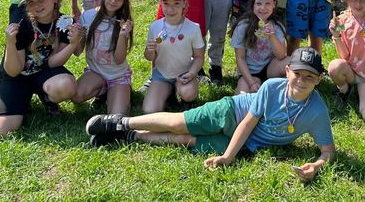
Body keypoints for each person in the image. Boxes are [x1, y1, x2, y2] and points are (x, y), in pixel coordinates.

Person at [86, 47, 335, 182]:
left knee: (186, 140)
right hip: (232, 113)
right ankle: (121, 122)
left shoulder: (317, 111)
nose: (301, 81)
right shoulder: (271, 87)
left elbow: (328, 151)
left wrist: (316, 166)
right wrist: (227, 157)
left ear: (319, 80)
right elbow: (248, 123)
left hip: (247, 144)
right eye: (297, 74)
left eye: (309, 77)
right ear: (287, 70)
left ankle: (131, 136)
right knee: (179, 123)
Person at [0, 0, 82, 135]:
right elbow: (13, 71)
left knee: (67, 85)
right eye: (31, 2)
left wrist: (73, 44)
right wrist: (10, 43)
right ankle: (21, 100)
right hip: (17, 78)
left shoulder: (65, 22)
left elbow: (53, 63)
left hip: (44, 73)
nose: (37, 5)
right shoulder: (21, 24)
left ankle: (47, 98)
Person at [72, 0, 134, 114]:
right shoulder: (88, 16)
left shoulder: (124, 23)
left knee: (117, 115)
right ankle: (103, 91)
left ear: (124, 1)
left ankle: (121, 90)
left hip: (117, 75)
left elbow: (119, 59)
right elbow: (77, 52)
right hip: (96, 72)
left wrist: (122, 36)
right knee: (76, 96)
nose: (113, 1)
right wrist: (75, 39)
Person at [143, 0, 205, 113]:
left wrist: (192, 73)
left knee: (188, 93)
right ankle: (168, 92)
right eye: (166, 3)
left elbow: (199, 57)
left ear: (184, 3)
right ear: (161, 3)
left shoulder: (193, 28)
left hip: (184, 73)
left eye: (176, 3)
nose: (171, 9)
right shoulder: (155, 27)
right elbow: (149, 57)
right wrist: (150, 50)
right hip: (162, 74)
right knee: (149, 110)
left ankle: (185, 99)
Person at [230, 0, 290, 94]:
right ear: (252, 5)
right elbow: (240, 58)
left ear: (274, 4)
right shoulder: (243, 26)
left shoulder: (277, 26)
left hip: (270, 69)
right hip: (249, 73)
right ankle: (251, 87)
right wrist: (251, 83)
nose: (263, 8)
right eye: (258, 3)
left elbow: (282, 56)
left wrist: (272, 36)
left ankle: (290, 91)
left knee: (291, 62)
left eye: (268, 3)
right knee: (242, 96)